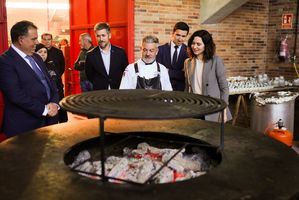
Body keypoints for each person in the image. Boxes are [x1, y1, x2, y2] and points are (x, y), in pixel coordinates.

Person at [0, 20, 59, 137]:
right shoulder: (5, 61)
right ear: (21, 40)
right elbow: (15, 95)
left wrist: (54, 103)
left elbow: (50, 82)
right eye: (33, 39)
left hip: (48, 122)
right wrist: (44, 110)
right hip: (24, 126)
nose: (37, 42)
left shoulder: (36, 57)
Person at [184, 30, 232, 122]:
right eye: (193, 43)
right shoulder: (187, 63)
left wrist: (224, 110)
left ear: (206, 46)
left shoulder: (216, 61)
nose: (194, 47)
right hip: (194, 109)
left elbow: (224, 88)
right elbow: (187, 88)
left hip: (213, 109)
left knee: (211, 135)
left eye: (198, 44)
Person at [85, 22, 128, 90]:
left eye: (103, 35)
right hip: (100, 93)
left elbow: (125, 72)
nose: (101, 39)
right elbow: (89, 76)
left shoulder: (120, 52)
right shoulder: (90, 55)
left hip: (118, 92)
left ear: (109, 35)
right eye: (98, 36)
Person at [35, 43, 68, 123]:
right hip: (43, 102)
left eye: (45, 52)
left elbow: (58, 78)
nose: (43, 54)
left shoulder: (51, 64)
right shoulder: (34, 67)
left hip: (56, 96)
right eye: (40, 52)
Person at [156, 22, 189, 91]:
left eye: (183, 36)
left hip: (181, 91)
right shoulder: (161, 50)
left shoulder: (189, 52)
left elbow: (186, 75)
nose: (180, 39)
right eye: (178, 35)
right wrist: (179, 73)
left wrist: (168, 71)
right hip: (164, 89)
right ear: (173, 33)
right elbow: (158, 71)